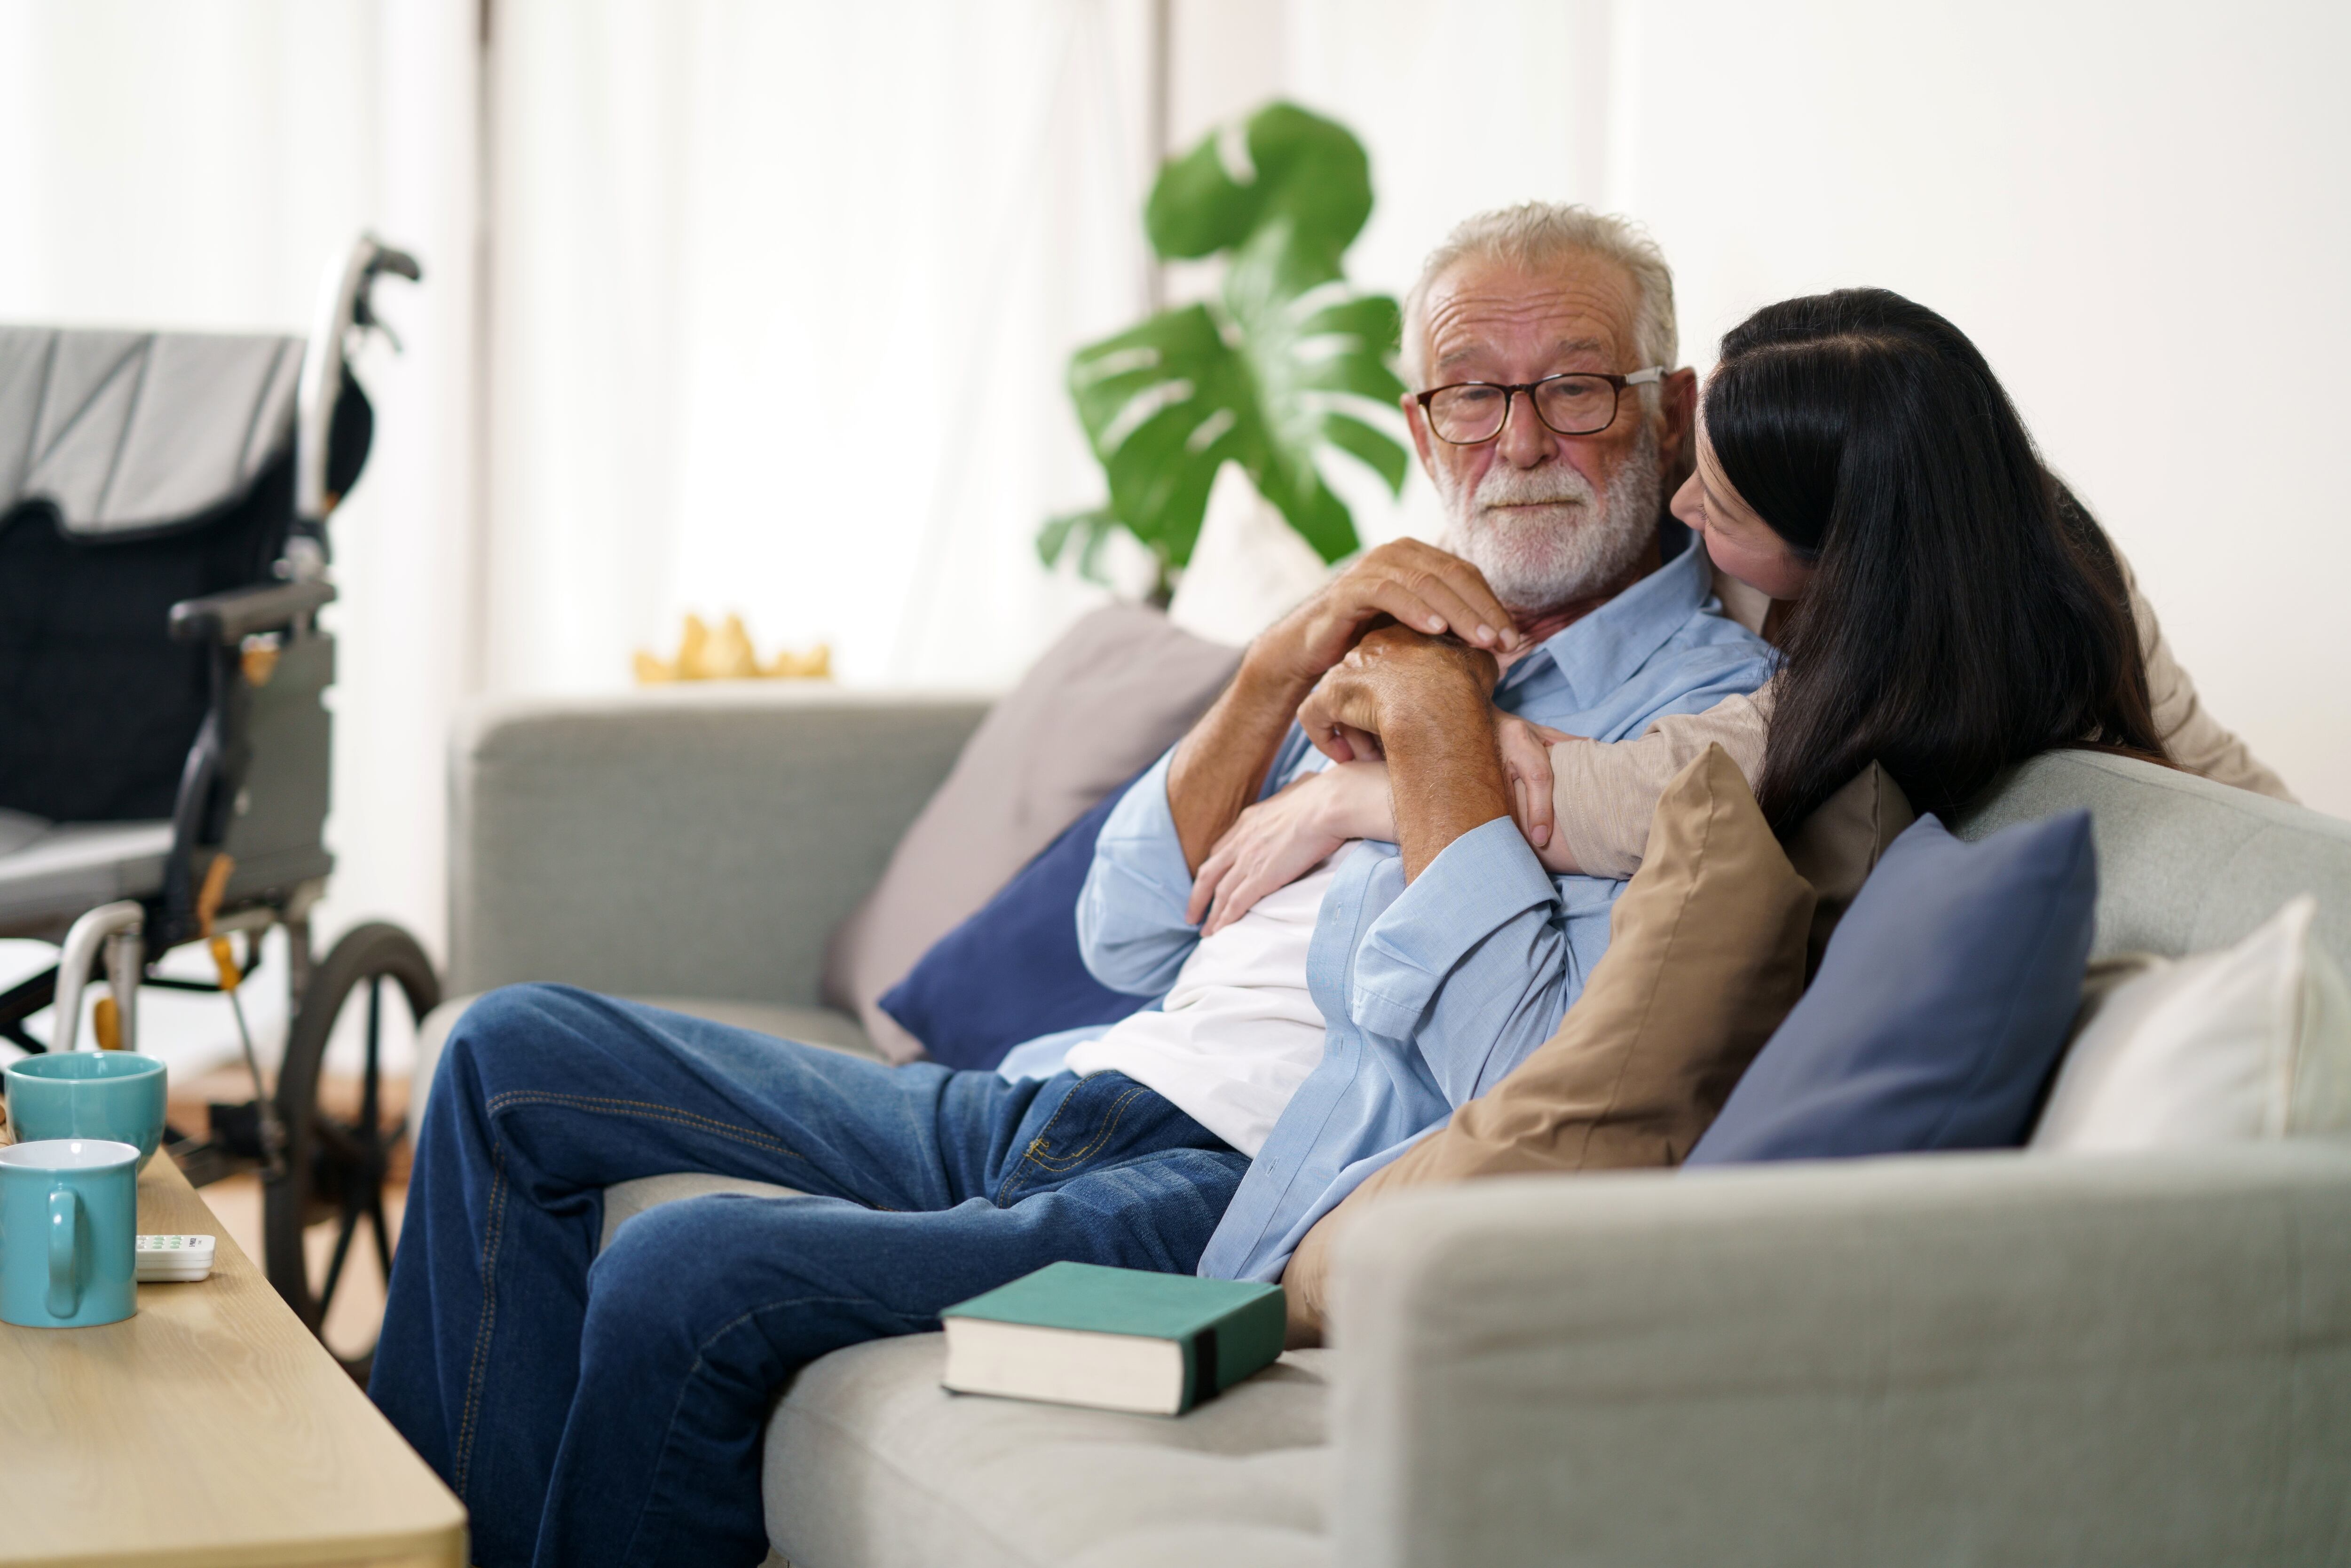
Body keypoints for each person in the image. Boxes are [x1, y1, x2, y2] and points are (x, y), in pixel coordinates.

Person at [370, 202, 1774, 1568]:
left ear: (1668, 409)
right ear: (1422, 428)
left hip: (1219, 1193)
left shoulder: (1709, 720)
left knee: (688, 1277)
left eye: (1576, 390)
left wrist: (1428, 735)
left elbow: (1514, 1062)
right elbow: (1125, 925)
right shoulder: (1400, 624)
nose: (1519, 439)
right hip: (1056, 1094)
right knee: (507, 1057)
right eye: (1472, 395)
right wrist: (1287, 654)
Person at [1190, 288, 2290, 933]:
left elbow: (1618, 795)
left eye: (1712, 503)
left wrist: (1347, 801)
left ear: (1834, 562)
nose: (1673, 503)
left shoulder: (1901, 681)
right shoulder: (1880, 520)